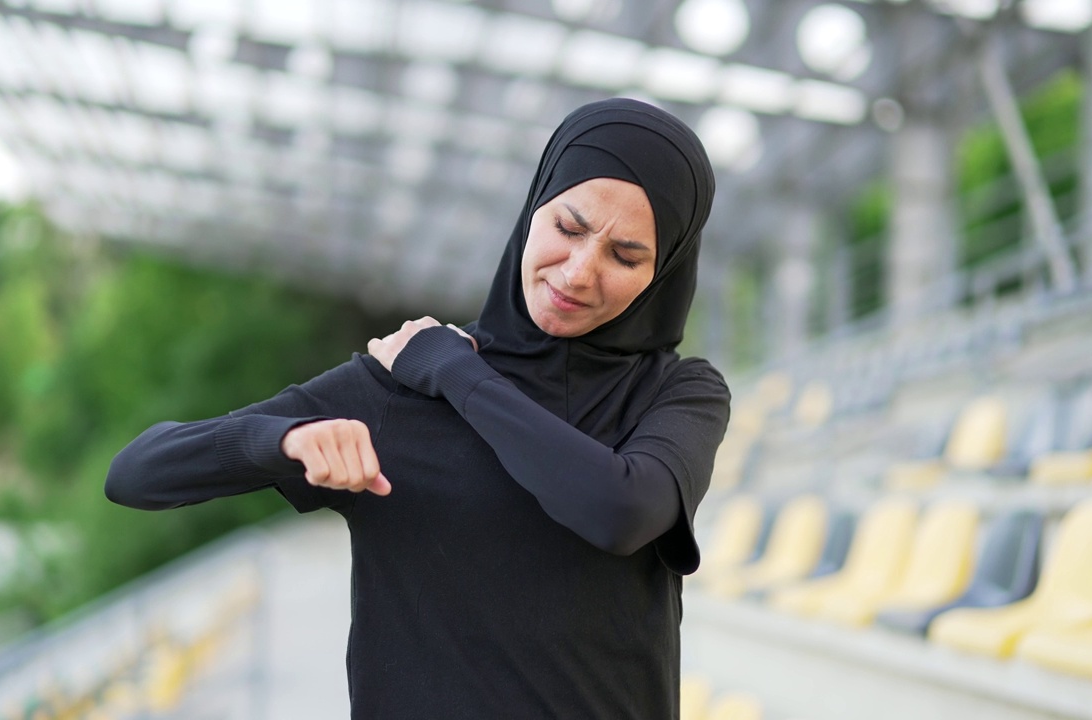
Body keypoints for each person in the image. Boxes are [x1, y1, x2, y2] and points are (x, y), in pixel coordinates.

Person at [105, 98, 731, 719]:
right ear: (533, 210)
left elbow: (619, 510)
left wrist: (459, 376)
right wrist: (281, 441)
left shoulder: (678, 394)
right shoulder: (394, 389)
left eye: (625, 256)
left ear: (664, 271)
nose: (577, 272)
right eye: (568, 229)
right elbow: (136, 474)